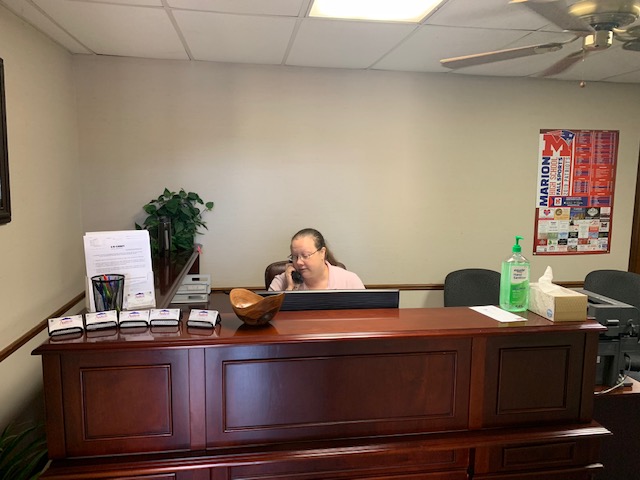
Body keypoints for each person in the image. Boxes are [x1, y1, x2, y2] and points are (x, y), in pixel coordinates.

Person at [268, 228, 365, 291]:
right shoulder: (280, 282)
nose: (298, 262)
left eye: (305, 255)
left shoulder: (350, 281)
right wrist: (290, 288)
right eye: (294, 257)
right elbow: (270, 316)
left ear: (322, 253)